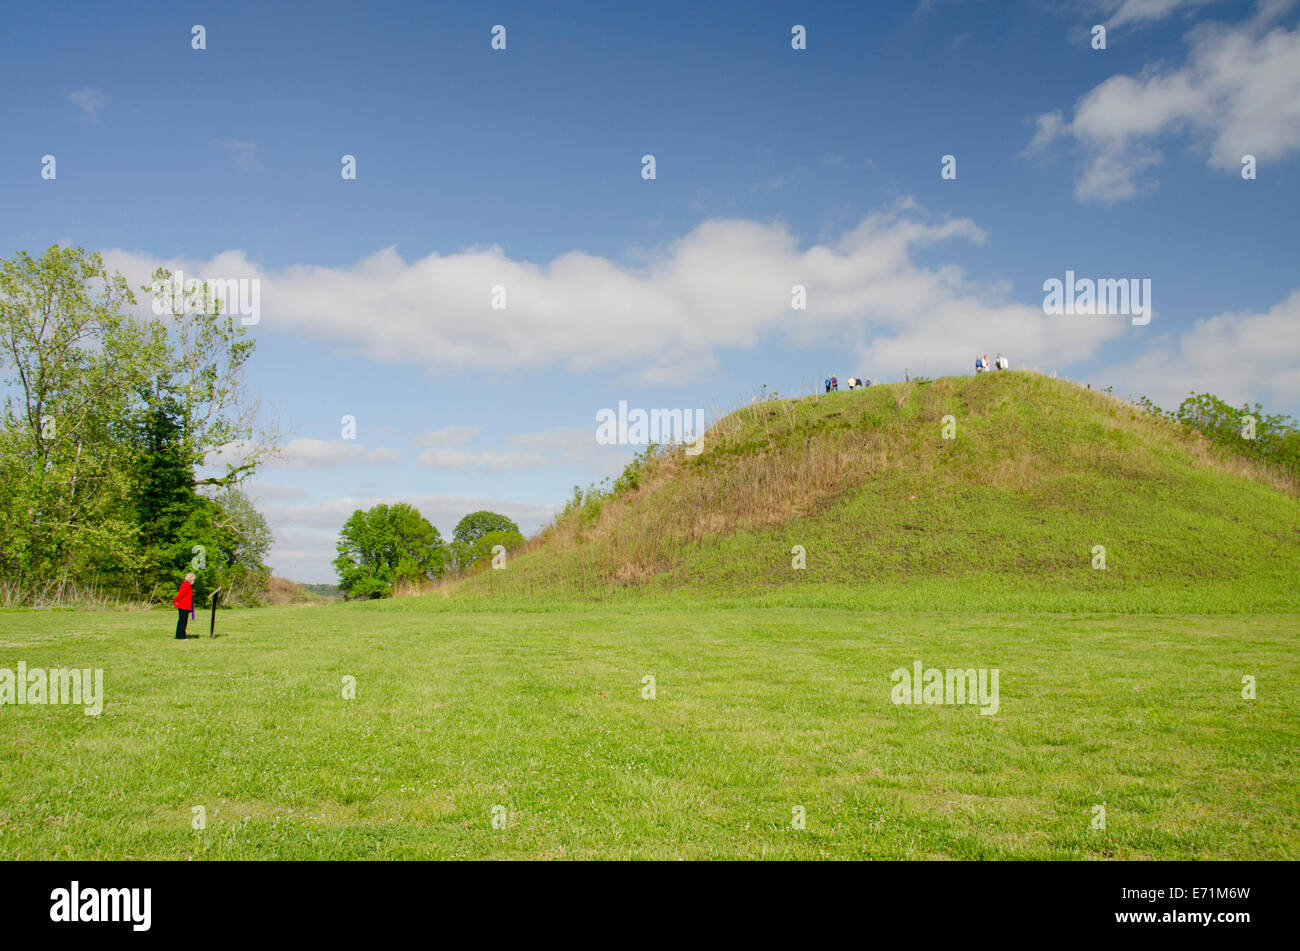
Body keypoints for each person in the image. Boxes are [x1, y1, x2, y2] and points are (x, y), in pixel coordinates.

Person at [173, 572, 195, 639]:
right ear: (190, 579)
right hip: (183, 606)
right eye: (193, 580)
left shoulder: (187, 585)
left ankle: (179, 635)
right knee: (183, 622)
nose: (194, 581)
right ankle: (181, 636)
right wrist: (175, 601)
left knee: (182, 621)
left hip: (185, 606)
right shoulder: (186, 585)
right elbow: (180, 595)